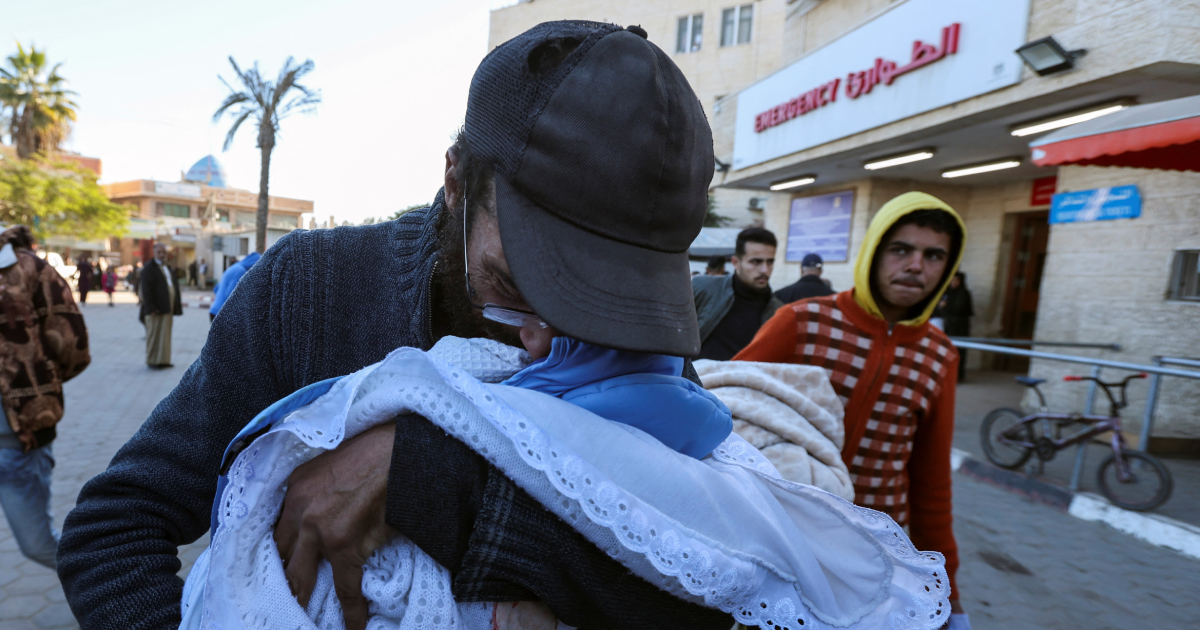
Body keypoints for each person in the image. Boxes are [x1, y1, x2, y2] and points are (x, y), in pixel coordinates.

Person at [58, 22, 745, 630]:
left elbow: (710, 592)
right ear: (456, 181)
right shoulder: (308, 292)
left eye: (598, 303)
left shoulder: (646, 350)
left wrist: (437, 480)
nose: (543, 337)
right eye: (514, 282)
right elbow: (111, 532)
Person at [734, 192, 970, 628]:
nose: (916, 265)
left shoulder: (940, 357)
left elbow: (931, 483)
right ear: (875, 250)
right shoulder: (801, 323)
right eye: (901, 249)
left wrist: (949, 598)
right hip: (785, 540)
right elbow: (725, 409)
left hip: (876, 555)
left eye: (934, 255)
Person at [0, 226, 90, 569]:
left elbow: (72, 346)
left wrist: (38, 384)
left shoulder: (28, 270)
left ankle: (107, 586)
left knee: (38, 545)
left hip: (17, 442)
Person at [692, 227, 783, 361]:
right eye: (755, 262)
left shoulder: (778, 312)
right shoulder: (703, 288)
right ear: (736, 262)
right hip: (696, 379)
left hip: (748, 380)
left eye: (770, 262)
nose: (765, 270)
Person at [139, 243, 183, 368]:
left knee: (165, 336)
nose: (162, 254)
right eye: (159, 252)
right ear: (154, 253)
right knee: (154, 335)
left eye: (164, 252)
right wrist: (151, 307)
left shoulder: (167, 267)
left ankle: (164, 360)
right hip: (155, 309)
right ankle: (152, 361)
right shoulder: (149, 268)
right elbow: (146, 290)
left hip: (166, 308)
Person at [940, 272, 974, 380]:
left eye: (955, 280)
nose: (953, 283)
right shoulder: (946, 292)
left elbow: (959, 308)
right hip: (946, 325)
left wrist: (946, 305)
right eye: (951, 280)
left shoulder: (963, 293)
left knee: (958, 350)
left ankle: (957, 376)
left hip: (959, 326)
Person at [208, 253, 258, 323]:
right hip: (223, 314)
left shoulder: (235, 267)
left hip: (215, 309)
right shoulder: (241, 271)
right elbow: (231, 295)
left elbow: (216, 288)